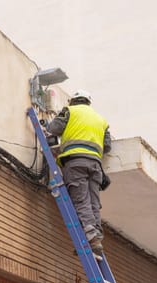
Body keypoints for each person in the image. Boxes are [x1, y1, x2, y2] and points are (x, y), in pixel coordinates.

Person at [46, 89, 111, 253]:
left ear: (73, 101)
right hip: (95, 165)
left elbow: (54, 128)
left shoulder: (70, 111)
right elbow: (107, 146)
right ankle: (96, 237)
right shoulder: (101, 120)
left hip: (75, 162)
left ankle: (91, 237)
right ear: (88, 102)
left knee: (81, 200)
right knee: (93, 203)